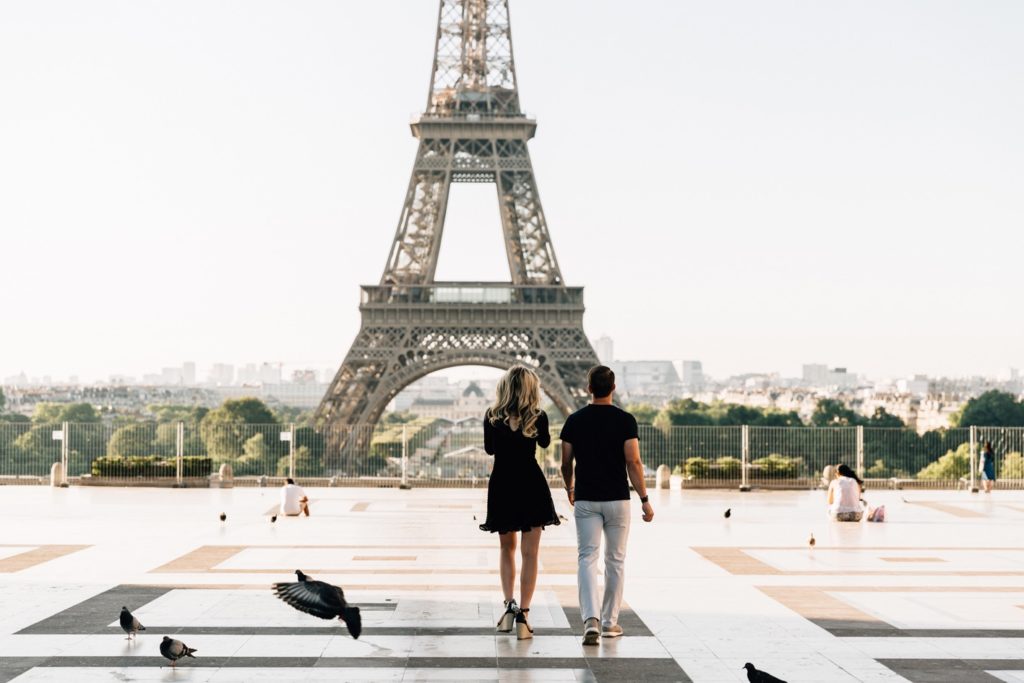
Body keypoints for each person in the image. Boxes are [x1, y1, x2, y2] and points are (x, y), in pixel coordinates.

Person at [560, 365, 654, 646]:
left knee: (587, 558)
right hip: (617, 499)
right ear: (613, 388)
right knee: (616, 560)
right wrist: (645, 500)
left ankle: (591, 620)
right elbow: (634, 462)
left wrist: (570, 487)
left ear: (588, 388)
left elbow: (566, 463)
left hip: (587, 498)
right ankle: (611, 621)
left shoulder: (574, 421)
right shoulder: (625, 420)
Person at [479, 365, 560, 640]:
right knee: (530, 553)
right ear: (530, 389)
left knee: (506, 549)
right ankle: (525, 613)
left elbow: (490, 449)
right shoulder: (538, 417)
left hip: (502, 484)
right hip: (530, 483)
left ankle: (508, 606)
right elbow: (547, 443)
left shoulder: (491, 417)